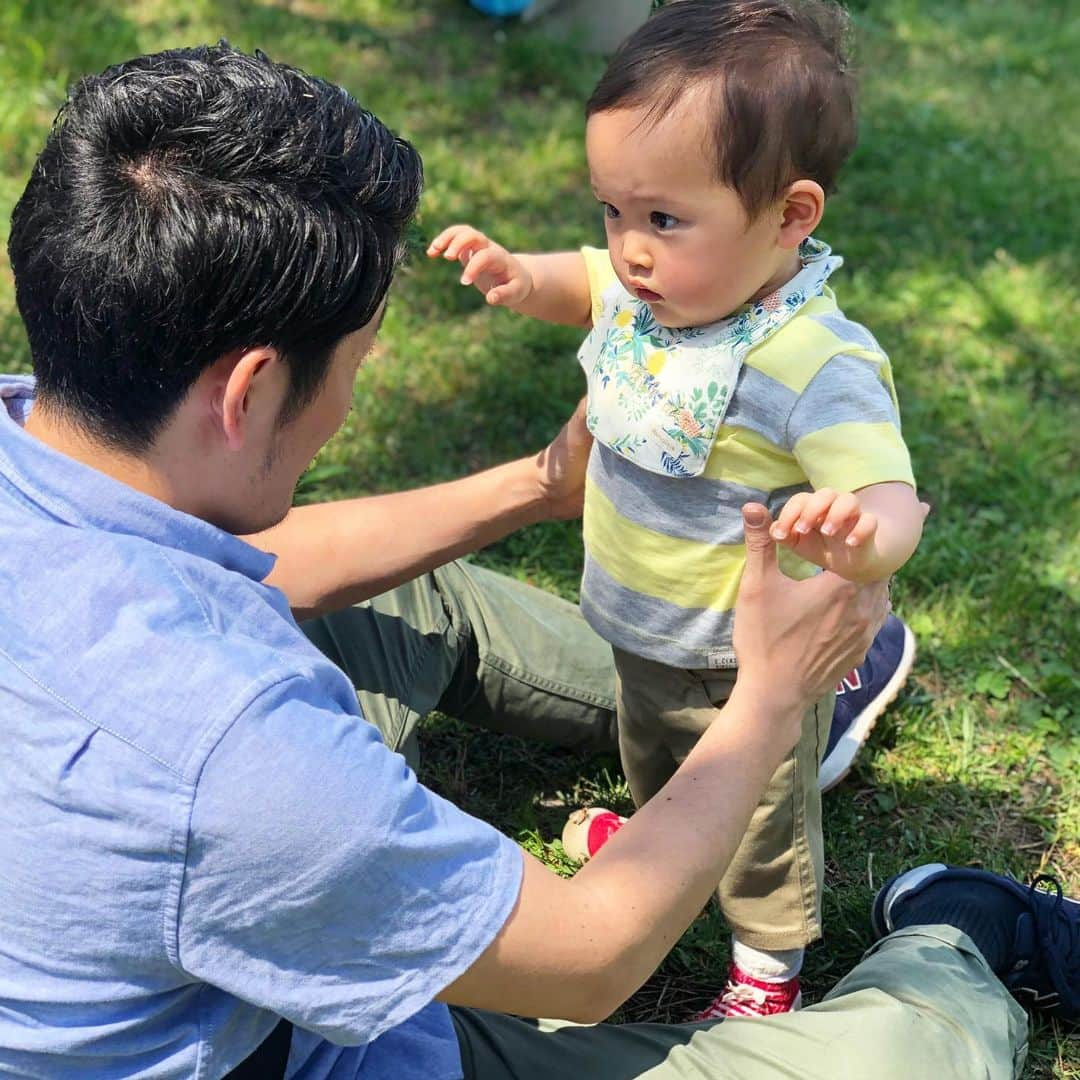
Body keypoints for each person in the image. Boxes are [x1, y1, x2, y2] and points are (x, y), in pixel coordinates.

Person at [1, 40, 1074, 1080]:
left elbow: (286, 568)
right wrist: (767, 698)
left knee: (392, 582)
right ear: (248, 393)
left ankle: (741, 750)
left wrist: (537, 485)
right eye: (359, 359)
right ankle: (956, 943)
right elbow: (589, 955)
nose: (357, 392)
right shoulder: (237, 757)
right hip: (296, 1036)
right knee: (898, 1060)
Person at [428, 0, 924, 1018]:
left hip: (742, 657)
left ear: (791, 216)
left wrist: (862, 539)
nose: (629, 246)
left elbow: (891, 494)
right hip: (637, 617)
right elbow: (595, 282)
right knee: (649, 751)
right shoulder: (659, 285)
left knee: (758, 818)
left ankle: (765, 965)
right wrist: (526, 276)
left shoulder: (811, 361)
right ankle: (660, 853)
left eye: (660, 218)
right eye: (613, 209)